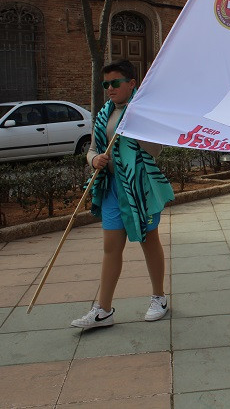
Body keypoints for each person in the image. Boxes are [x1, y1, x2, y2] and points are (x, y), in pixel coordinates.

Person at [71, 60, 175, 329]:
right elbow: (92, 149)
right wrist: (94, 161)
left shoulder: (143, 112)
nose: (109, 89)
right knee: (110, 247)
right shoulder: (105, 113)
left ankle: (159, 298)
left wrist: (137, 125)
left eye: (115, 83)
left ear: (131, 83)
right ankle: (103, 309)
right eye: (106, 84)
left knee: (148, 240)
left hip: (140, 188)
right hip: (112, 189)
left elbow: (155, 150)